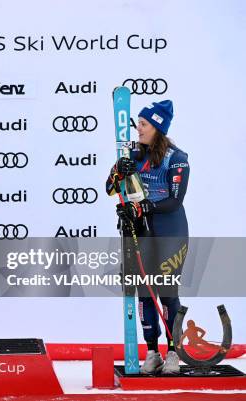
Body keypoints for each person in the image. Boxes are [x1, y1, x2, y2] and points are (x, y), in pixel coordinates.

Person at [106, 100, 189, 374]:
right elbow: (109, 187)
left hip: (169, 232)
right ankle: (152, 352)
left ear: (157, 127)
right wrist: (119, 170)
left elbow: (174, 202)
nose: (137, 129)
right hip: (140, 231)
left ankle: (174, 353)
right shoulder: (132, 153)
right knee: (144, 293)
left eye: (143, 124)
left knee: (167, 293)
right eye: (138, 124)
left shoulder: (176, 158)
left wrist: (143, 206)